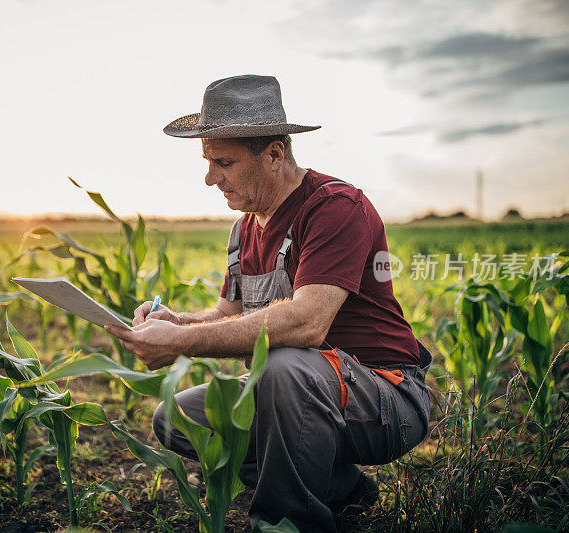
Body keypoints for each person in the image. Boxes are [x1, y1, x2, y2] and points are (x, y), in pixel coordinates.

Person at [105, 74, 432, 532]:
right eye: (207, 161)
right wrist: (175, 321)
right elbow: (228, 315)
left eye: (224, 162)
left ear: (275, 154)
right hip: (298, 393)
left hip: (385, 398)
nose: (209, 178)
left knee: (285, 367)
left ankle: (286, 524)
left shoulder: (334, 207)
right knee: (176, 418)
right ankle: (342, 490)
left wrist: (182, 341)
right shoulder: (244, 229)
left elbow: (307, 324)